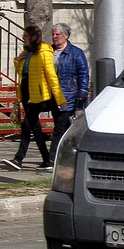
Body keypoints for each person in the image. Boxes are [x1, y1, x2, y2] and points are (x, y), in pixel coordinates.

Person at [2, 25, 66, 172]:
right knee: (35, 128)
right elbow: (22, 73)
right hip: (26, 91)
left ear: (32, 37)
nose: (23, 38)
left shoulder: (44, 51)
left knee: (26, 125)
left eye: (25, 36)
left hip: (39, 95)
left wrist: (60, 98)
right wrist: (18, 61)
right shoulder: (27, 52)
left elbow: (51, 76)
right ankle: (46, 159)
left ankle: (18, 159)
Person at [50, 23, 90, 158]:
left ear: (66, 36)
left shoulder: (76, 53)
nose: (54, 37)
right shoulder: (49, 52)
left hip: (69, 95)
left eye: (58, 34)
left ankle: (53, 157)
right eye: (53, 34)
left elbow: (83, 73)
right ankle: (67, 154)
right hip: (52, 95)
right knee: (61, 125)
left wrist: (83, 91)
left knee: (61, 127)